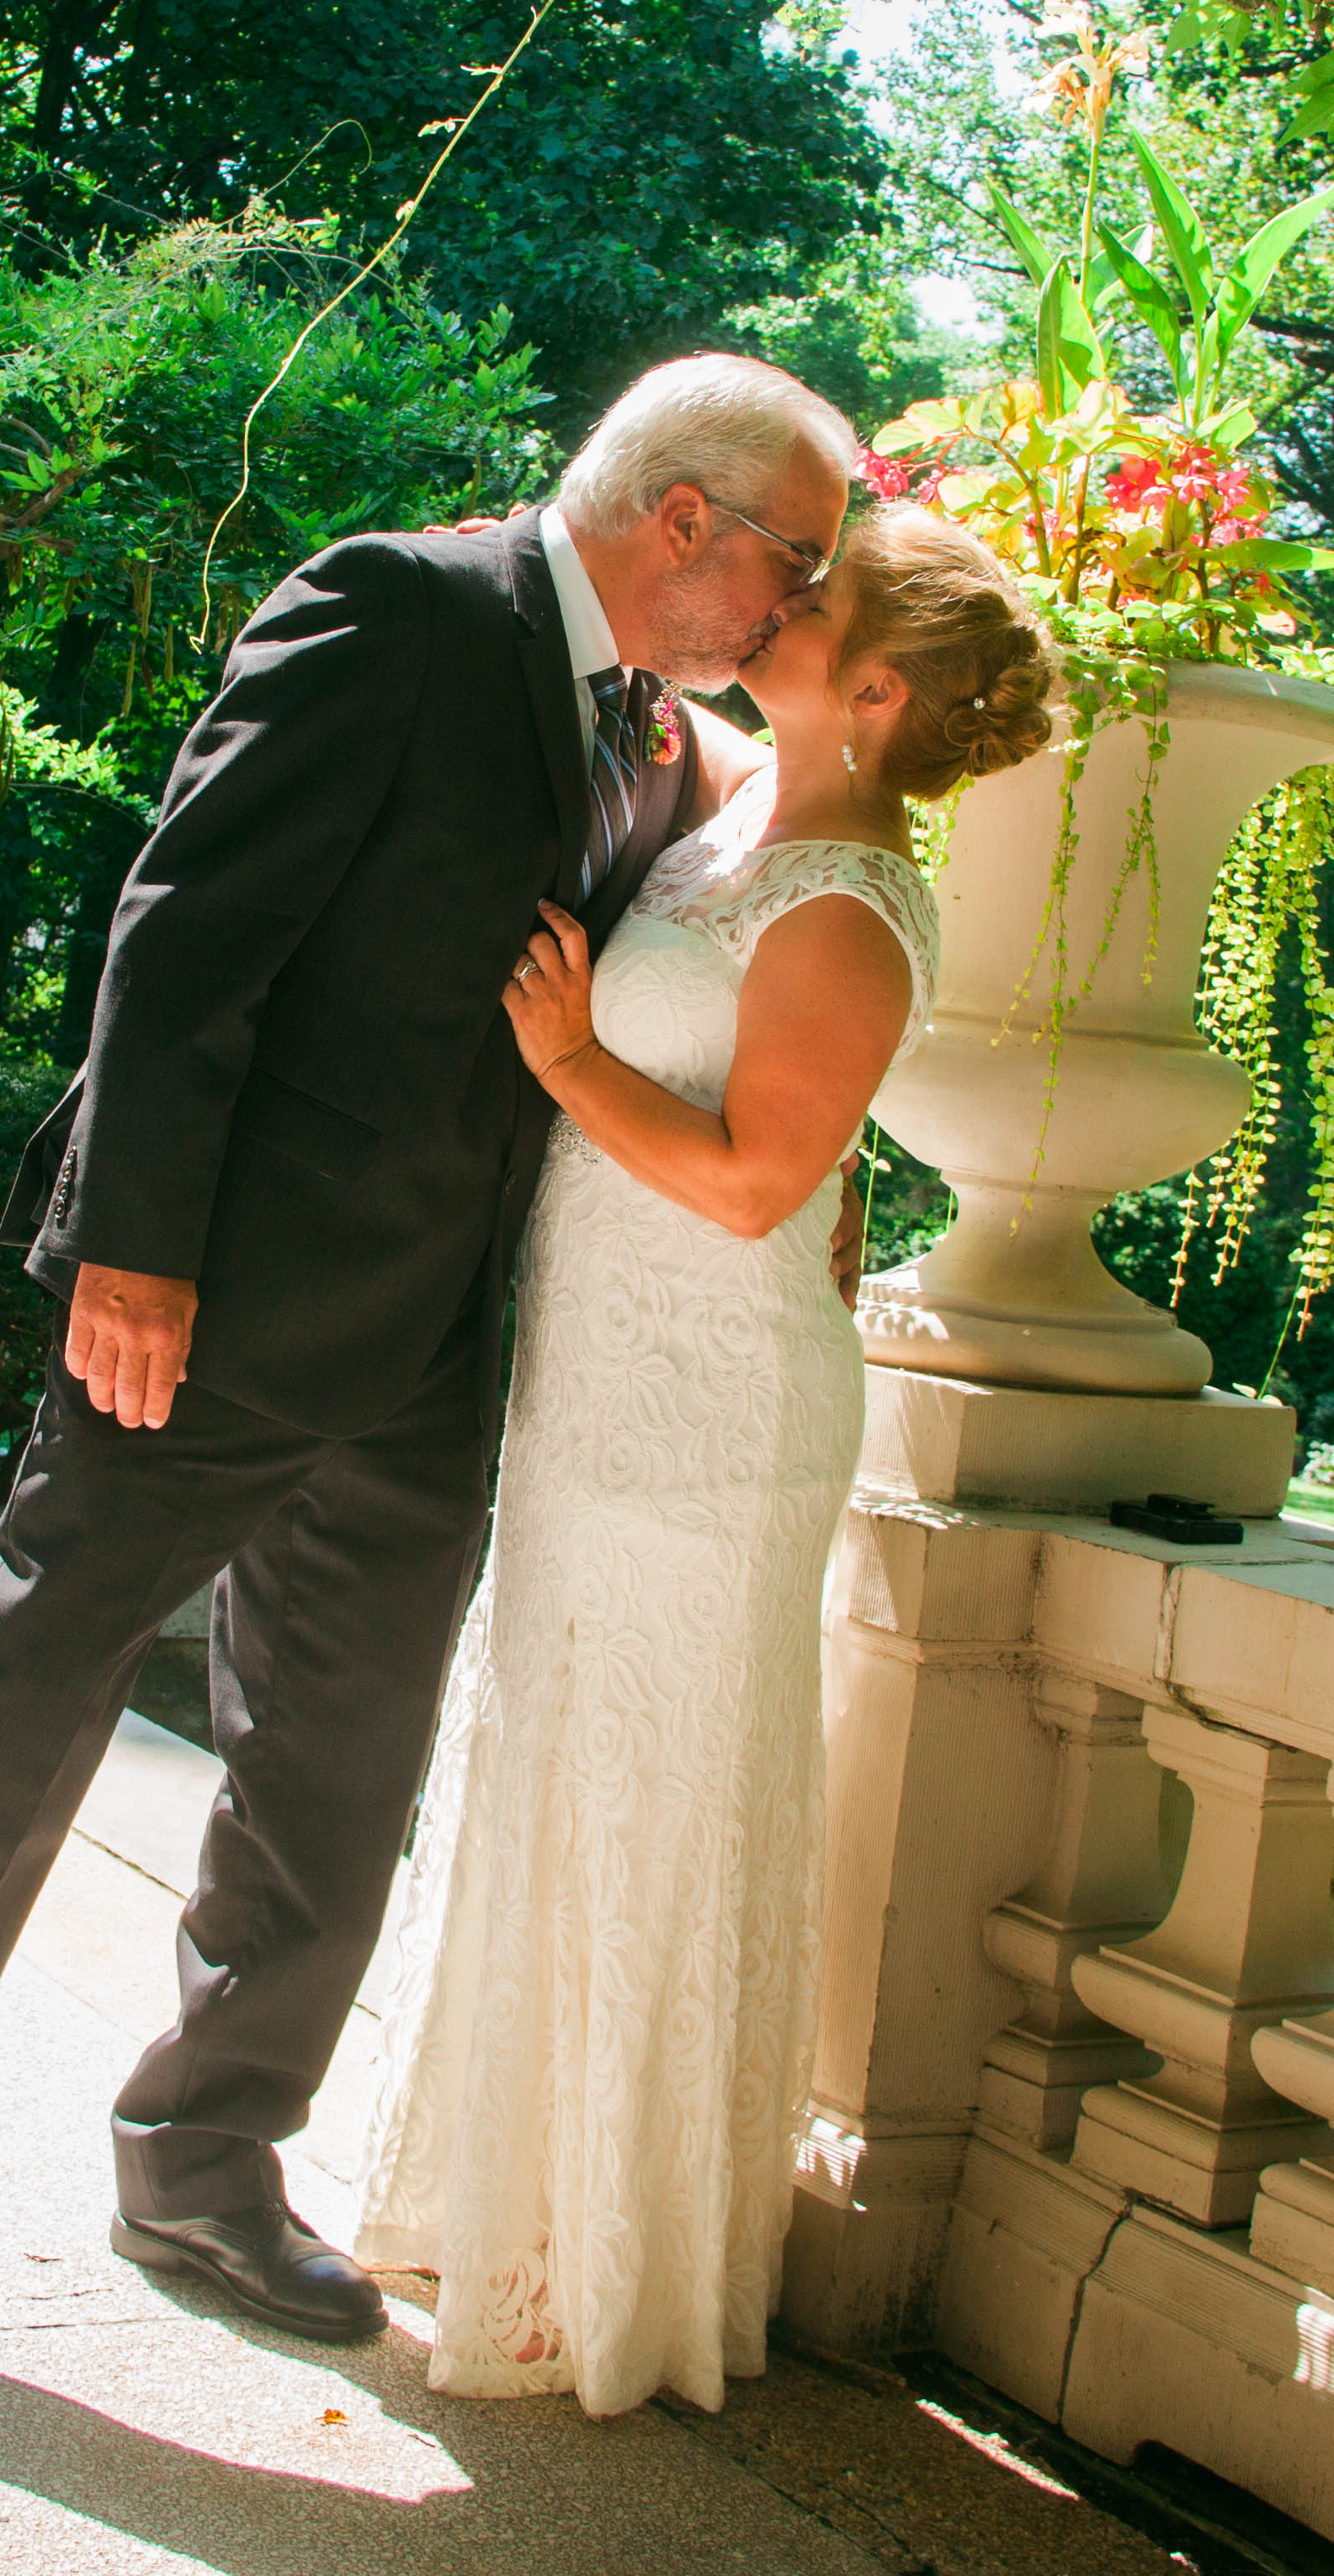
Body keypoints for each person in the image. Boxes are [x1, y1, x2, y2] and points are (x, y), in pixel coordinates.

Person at [0, 354, 859, 2382]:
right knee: (26, 1690)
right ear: (681, 517)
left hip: (430, 1337)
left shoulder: (655, 738)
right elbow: (188, 921)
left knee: (338, 1760)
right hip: (214, 1293)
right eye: (789, 554)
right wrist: (136, 1244)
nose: (792, 600)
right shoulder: (399, 605)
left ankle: (206, 2155)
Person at [328, 503, 1052, 2415]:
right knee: (563, 1758)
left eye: (813, 607)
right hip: (597, 1379)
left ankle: (607, 2273)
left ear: (877, 693)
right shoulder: (745, 810)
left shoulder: (842, 897)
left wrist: (568, 1060)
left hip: (708, 1416)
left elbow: (751, 1185)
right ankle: (509, 2209)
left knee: (648, 1790)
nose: (774, 607)